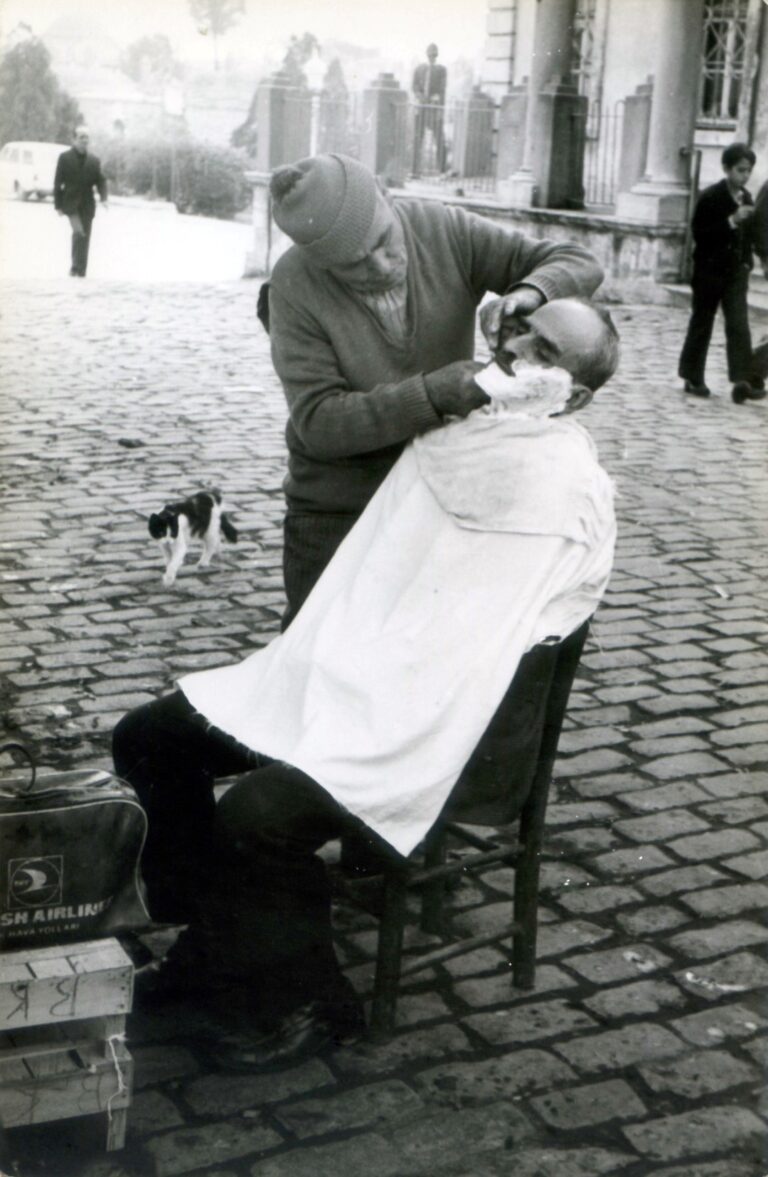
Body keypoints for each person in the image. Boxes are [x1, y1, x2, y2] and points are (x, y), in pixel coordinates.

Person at [113, 297, 619, 1072]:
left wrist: (371, 693)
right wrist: (335, 666)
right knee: (149, 737)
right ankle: (216, 938)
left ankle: (310, 1000)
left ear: (575, 396)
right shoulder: (463, 429)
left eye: (546, 351)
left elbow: (477, 652)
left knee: (255, 817)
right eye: (522, 330)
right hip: (356, 670)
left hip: (438, 717)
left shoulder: (563, 490)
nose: (518, 349)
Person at [264, 151, 604, 629]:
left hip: (441, 495)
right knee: (315, 655)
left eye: (384, 240)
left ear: (388, 197)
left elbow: (579, 261)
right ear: (319, 263)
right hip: (339, 505)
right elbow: (319, 422)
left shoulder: (441, 227)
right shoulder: (293, 284)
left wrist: (530, 291)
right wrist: (432, 395)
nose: (379, 265)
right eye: (353, 266)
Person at [678, 142, 765, 404]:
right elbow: (701, 234)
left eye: (749, 171)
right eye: (740, 170)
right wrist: (731, 221)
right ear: (727, 168)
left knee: (739, 324)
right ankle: (693, 376)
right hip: (709, 271)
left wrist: (748, 261)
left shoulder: (747, 198)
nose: (745, 176)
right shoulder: (711, 197)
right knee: (702, 322)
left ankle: (741, 379)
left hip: (736, 272)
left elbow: (749, 236)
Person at [53, 126, 108, 278]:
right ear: (74, 139)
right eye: (81, 137)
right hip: (70, 204)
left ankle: (81, 271)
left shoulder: (94, 160)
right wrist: (58, 205)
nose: (85, 140)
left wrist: (104, 198)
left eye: (87, 137)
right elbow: (57, 182)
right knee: (79, 232)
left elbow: (101, 181)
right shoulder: (64, 158)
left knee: (85, 236)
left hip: (88, 205)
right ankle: (75, 267)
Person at [412, 42, 447, 176]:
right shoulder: (419, 69)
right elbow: (414, 87)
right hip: (421, 109)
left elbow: (443, 90)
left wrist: (438, 106)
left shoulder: (441, 70)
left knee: (439, 139)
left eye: (434, 55)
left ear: (436, 55)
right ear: (426, 55)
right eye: (430, 54)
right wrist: (421, 97)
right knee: (417, 139)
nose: (432, 57)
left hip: (434, 110)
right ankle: (414, 170)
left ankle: (442, 171)